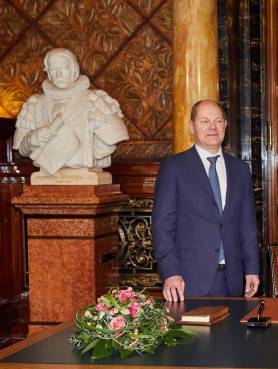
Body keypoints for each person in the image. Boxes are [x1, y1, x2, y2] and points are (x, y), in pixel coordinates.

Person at [152, 99, 260, 302]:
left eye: (218, 121)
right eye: (205, 121)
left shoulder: (240, 170)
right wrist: (170, 272)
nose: (212, 127)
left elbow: (247, 226)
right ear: (191, 126)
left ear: (225, 126)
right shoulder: (174, 167)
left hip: (232, 280)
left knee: (232, 334)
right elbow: (162, 226)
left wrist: (251, 269)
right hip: (187, 280)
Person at [13, 48, 128, 175]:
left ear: (74, 69)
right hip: (47, 177)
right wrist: (33, 138)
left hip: (85, 176)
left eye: (63, 68)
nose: (58, 74)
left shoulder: (94, 100)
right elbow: (21, 147)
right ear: (48, 73)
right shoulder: (35, 104)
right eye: (53, 69)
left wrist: (88, 150)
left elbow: (111, 142)